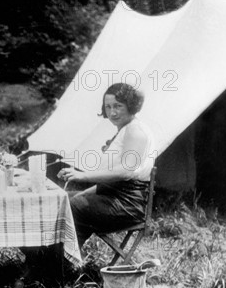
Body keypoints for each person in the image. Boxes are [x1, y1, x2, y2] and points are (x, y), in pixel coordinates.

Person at [57, 83, 155, 253]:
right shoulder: (126, 129)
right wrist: (85, 192)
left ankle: (62, 262)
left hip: (128, 204)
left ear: (130, 106)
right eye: (108, 107)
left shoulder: (135, 131)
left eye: (118, 106)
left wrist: (83, 176)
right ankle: (51, 259)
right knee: (61, 200)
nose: (112, 112)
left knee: (75, 205)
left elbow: (127, 172)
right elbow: (116, 181)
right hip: (114, 195)